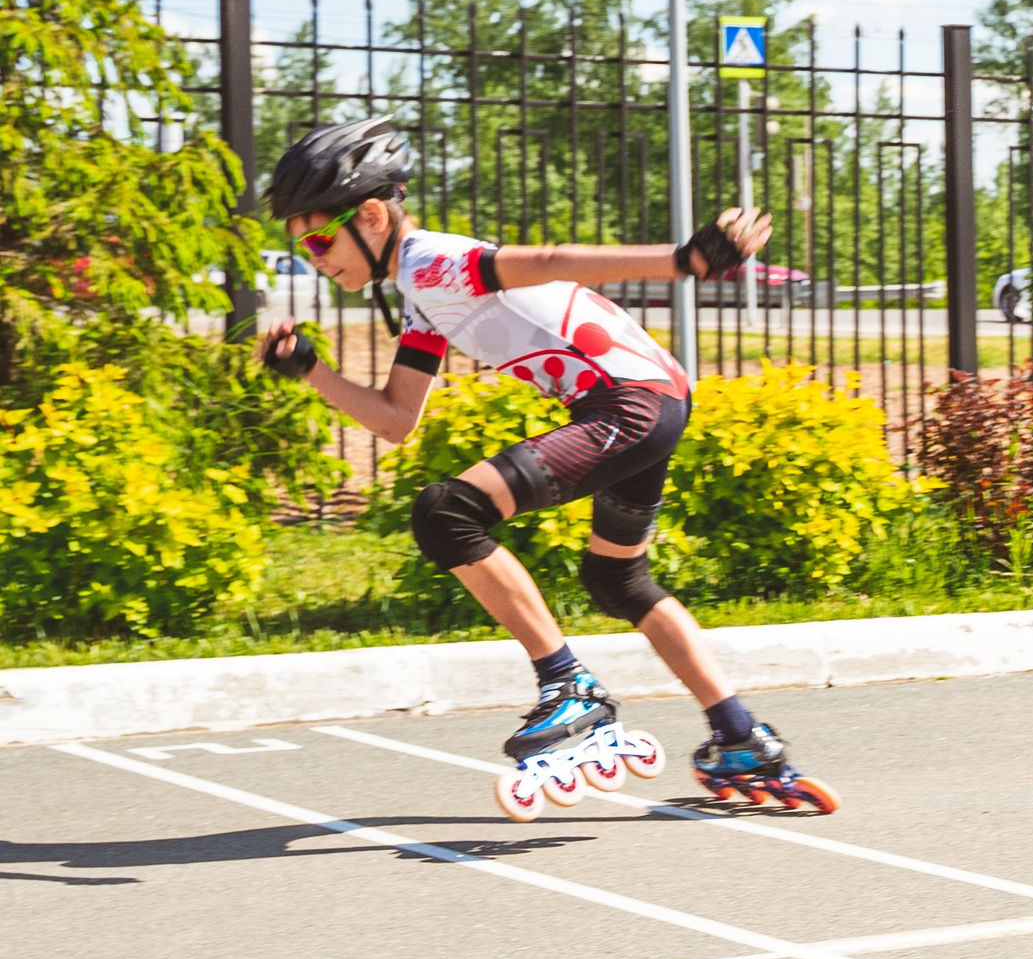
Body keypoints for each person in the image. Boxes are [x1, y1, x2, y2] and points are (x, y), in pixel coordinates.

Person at [255, 118, 835, 819]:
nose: (314, 258)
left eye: (318, 239)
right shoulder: (422, 293)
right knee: (617, 577)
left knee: (447, 513)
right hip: (652, 400)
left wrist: (684, 260)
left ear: (371, 215)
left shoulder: (428, 261)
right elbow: (395, 419)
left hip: (628, 403)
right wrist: (310, 369)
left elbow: (549, 259)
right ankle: (740, 737)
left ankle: (570, 687)